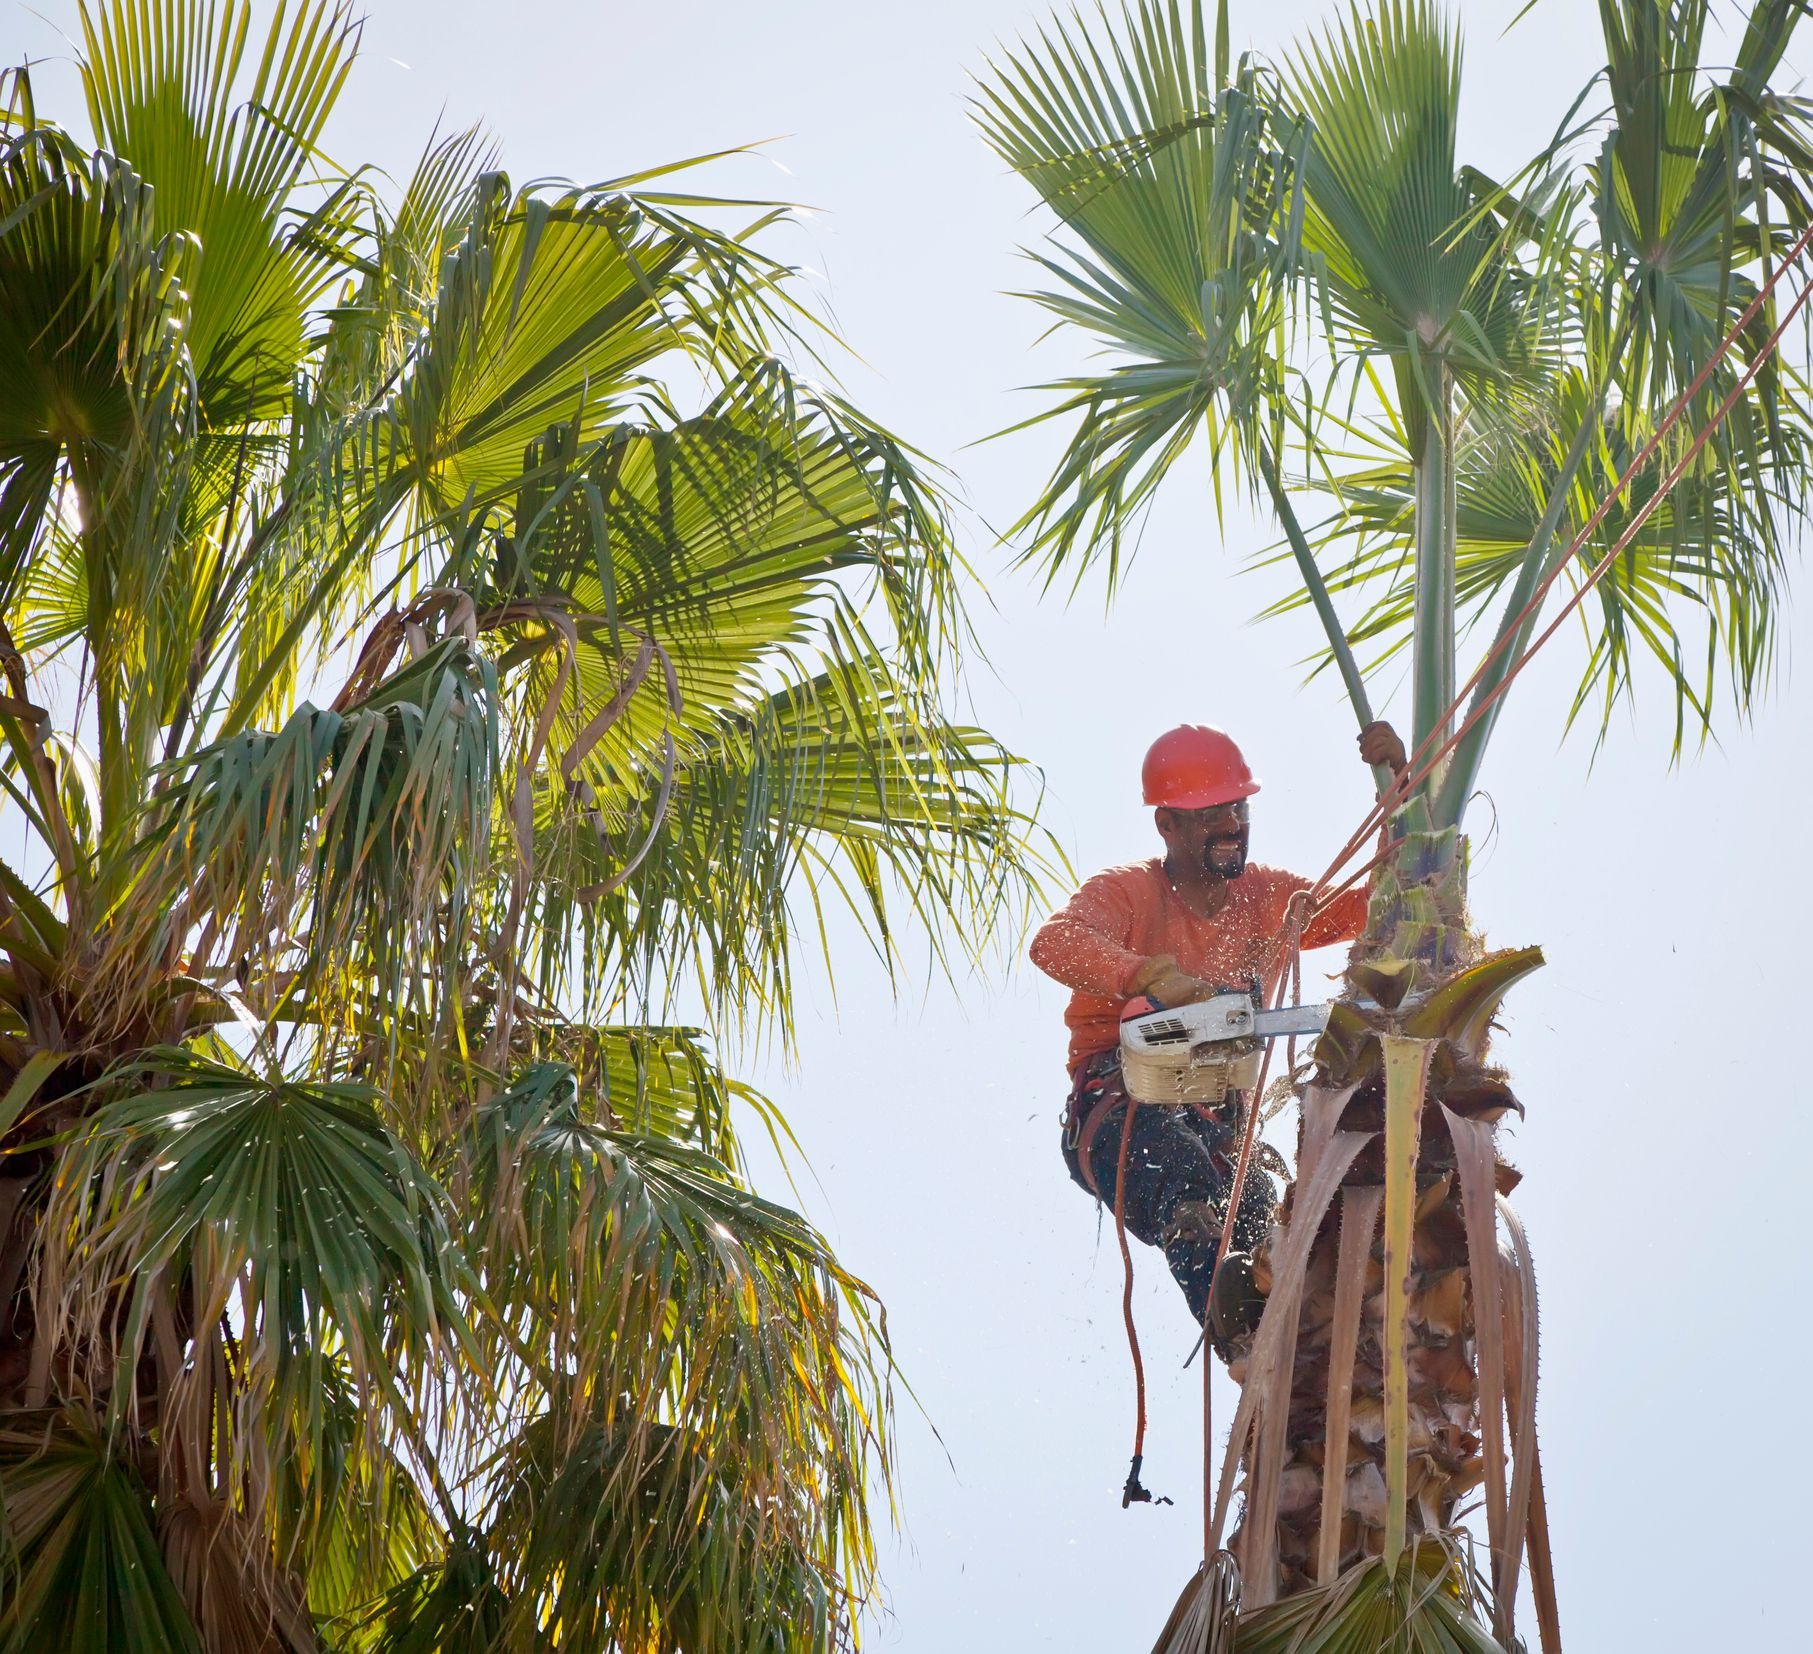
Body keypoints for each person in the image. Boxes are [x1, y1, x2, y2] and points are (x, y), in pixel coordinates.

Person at [1028, 720, 1408, 1351]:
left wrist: (1399, 789)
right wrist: (1144, 974)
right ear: (1167, 826)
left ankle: (1312, 1363)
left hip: (1219, 1127)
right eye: (1211, 814)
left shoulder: (1267, 899)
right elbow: (1053, 942)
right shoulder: (1129, 892)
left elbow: (1378, 904)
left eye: (1238, 806)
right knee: (1188, 1193)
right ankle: (1249, 1348)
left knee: (1278, 1229)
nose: (1233, 823)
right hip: (1122, 1108)